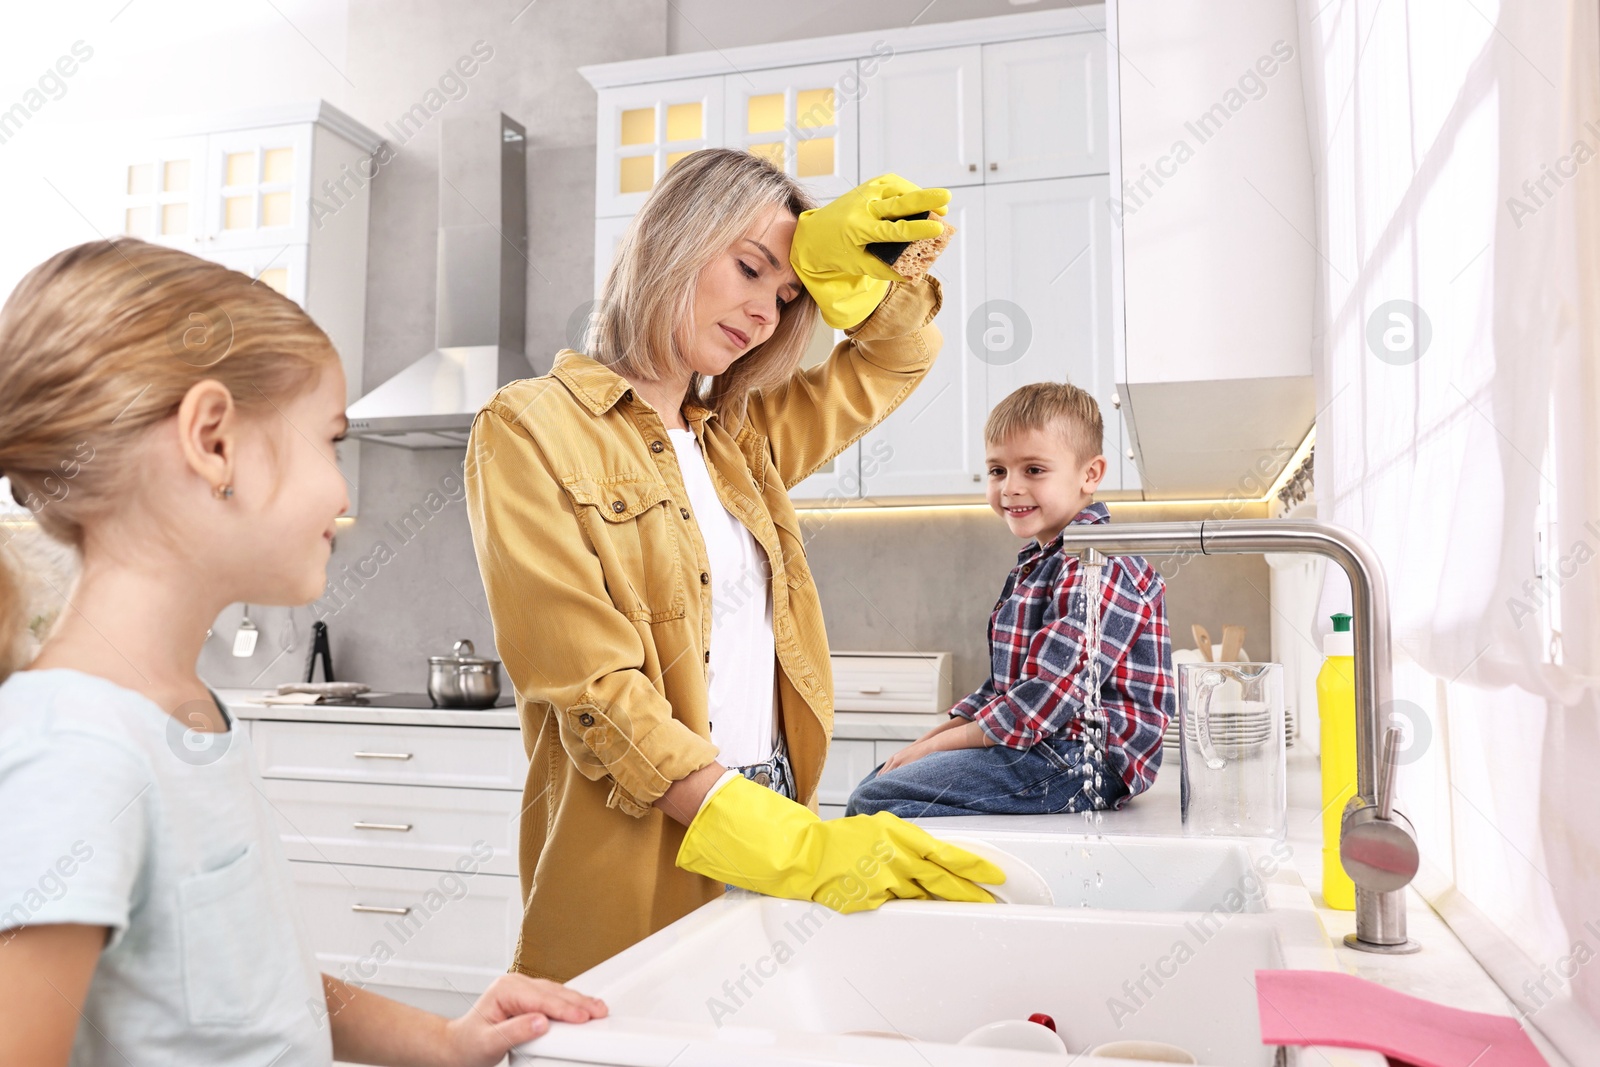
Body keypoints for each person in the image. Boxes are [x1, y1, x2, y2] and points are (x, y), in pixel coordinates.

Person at [0, 240, 606, 1067]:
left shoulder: (187, 711)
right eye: (330, 441)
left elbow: (251, 981)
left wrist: (446, 1038)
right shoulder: (76, 750)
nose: (344, 490)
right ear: (213, 442)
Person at [464, 148, 1004, 983]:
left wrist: (853, 276)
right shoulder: (528, 425)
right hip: (647, 827)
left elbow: (896, 358)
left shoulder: (741, 438)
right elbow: (590, 686)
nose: (765, 313)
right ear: (672, 241)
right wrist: (770, 836)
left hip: (778, 807)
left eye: (789, 295)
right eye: (750, 269)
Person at [847, 382, 1175, 818]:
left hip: (1082, 759)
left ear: (1090, 474)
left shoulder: (1099, 564)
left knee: (876, 799)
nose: (1010, 488)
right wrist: (930, 740)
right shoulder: (1042, 563)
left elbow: (1048, 692)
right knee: (879, 784)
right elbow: (1008, 686)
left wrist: (942, 744)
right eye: (998, 471)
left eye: (1034, 470)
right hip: (1043, 748)